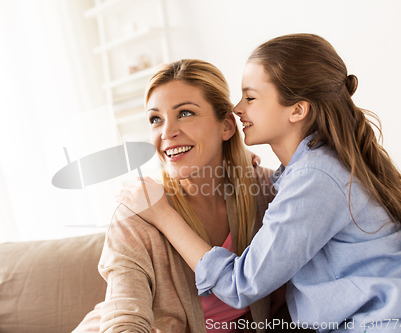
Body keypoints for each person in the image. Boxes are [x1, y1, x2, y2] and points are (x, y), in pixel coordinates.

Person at [117, 34, 401, 332]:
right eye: (154, 119)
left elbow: (241, 285)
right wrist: (225, 159)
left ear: (297, 110)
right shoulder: (309, 171)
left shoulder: (314, 178)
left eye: (250, 97)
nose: (237, 108)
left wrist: (165, 217)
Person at [74, 59, 287, 333]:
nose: (167, 132)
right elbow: (123, 320)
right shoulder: (136, 215)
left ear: (226, 127)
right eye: (155, 119)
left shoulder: (268, 193)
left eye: (185, 113)